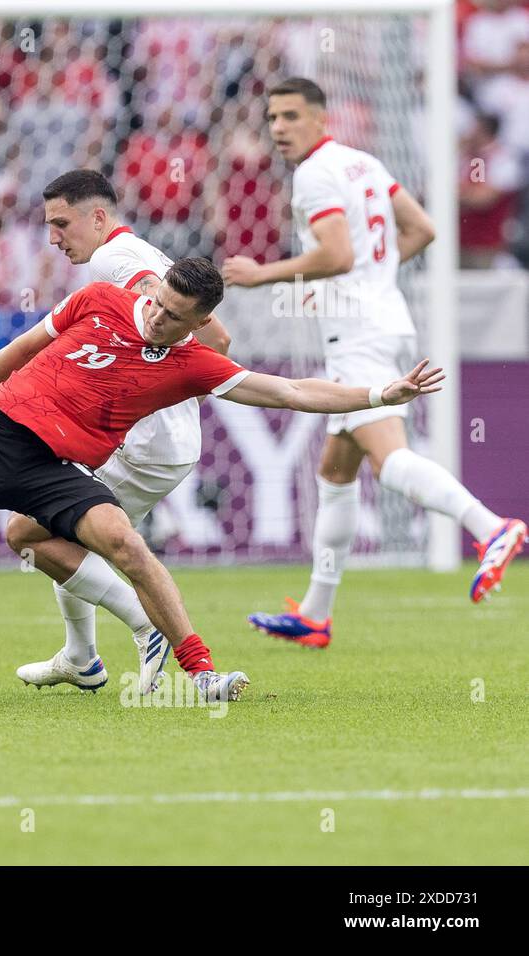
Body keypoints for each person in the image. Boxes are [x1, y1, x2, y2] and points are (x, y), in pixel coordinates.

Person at [0, 258, 442, 708]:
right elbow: (23, 349)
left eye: (178, 317)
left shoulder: (194, 364)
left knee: (126, 543)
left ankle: (199, 674)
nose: (161, 319)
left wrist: (383, 392)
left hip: (57, 469)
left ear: (202, 324)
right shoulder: (102, 298)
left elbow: (291, 391)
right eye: (160, 305)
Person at [222, 77, 523, 647]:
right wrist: (367, 277)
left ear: (319, 117)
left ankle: (491, 527)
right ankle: (315, 613)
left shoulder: (313, 174)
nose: (279, 127)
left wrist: (263, 274)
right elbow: (424, 229)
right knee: (336, 471)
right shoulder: (363, 163)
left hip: (359, 334)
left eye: (290, 116)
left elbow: (335, 253)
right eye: (273, 118)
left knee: (389, 461)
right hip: (384, 319)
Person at [7, 169, 232, 695]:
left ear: (99, 217)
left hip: (146, 444)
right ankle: (81, 655)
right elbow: (211, 336)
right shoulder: (141, 252)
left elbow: (192, 326)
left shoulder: (115, 259)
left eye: (62, 224)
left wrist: (152, 394)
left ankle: (142, 625)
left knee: (29, 533)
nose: (53, 238)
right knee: (56, 530)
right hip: (154, 441)